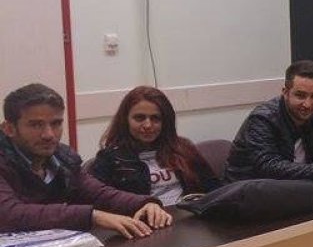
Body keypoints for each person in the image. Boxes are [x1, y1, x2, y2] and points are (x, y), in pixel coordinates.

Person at [0, 83, 172, 238]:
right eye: (36, 125)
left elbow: (99, 194)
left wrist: (146, 203)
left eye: (56, 123)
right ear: (9, 128)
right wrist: (93, 216)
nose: (49, 134)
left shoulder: (63, 158)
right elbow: (8, 214)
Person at [89, 86, 222, 206]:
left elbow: (215, 189)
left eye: (155, 118)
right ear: (126, 120)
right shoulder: (110, 158)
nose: (148, 125)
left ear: (165, 122)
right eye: (139, 118)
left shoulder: (183, 148)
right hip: (143, 221)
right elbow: (97, 202)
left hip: (188, 216)